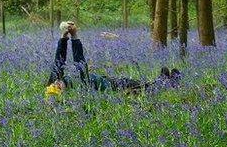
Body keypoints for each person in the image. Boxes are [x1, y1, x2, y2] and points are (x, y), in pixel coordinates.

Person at [45, 21, 180, 95]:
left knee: (139, 84)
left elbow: (59, 60)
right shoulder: (79, 89)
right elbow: (80, 63)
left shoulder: (54, 81)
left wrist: (63, 37)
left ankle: (163, 81)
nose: (57, 84)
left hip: (107, 80)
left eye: (54, 85)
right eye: (58, 88)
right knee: (142, 89)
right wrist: (74, 36)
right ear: (62, 92)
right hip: (114, 88)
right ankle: (168, 83)